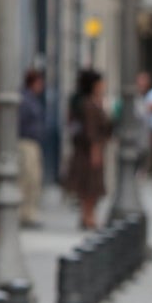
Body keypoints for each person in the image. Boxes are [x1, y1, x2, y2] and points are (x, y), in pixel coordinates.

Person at [65, 68, 113, 230]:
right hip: (90, 150)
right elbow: (92, 130)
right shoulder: (89, 104)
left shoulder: (91, 101)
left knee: (88, 186)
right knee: (90, 185)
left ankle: (87, 215)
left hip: (87, 149)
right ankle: (88, 216)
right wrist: (95, 151)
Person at [17, 68, 47, 229]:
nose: (41, 86)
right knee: (27, 179)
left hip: (34, 143)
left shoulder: (33, 100)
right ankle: (23, 213)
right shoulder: (25, 100)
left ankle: (29, 212)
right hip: (25, 143)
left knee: (34, 180)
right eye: (39, 82)